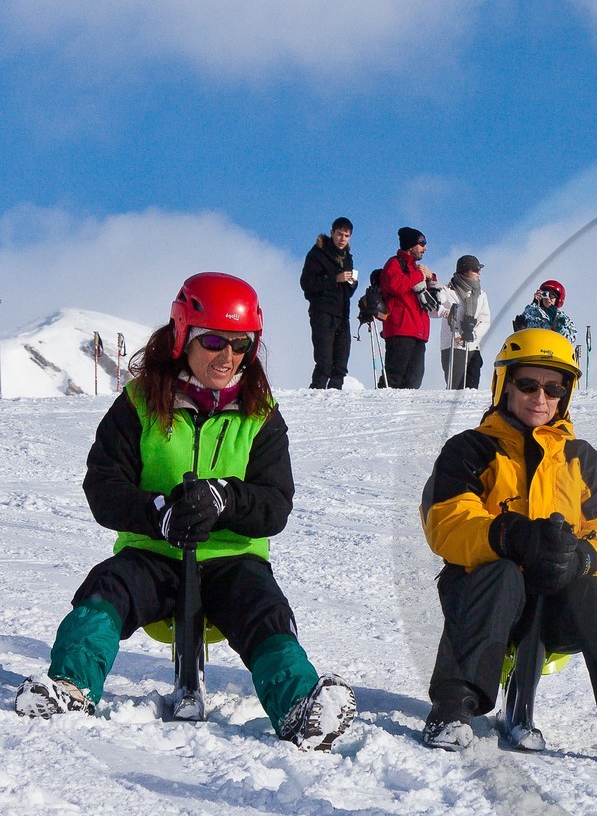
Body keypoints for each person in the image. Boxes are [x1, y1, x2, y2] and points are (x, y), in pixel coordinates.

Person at [12, 273, 356, 749]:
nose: (227, 357)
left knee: (265, 612)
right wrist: (159, 512)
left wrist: (226, 500)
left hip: (231, 559)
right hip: (153, 552)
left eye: (241, 345)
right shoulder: (140, 404)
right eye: (213, 340)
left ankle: (299, 707)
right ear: (182, 336)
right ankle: (70, 688)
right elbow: (103, 485)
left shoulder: (260, 416)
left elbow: (275, 502)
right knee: (105, 591)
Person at [418, 328, 597, 772]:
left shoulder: (581, 458)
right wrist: (507, 536)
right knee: (502, 574)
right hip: (484, 597)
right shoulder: (471, 450)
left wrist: (582, 558)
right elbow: (446, 520)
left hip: (555, 605)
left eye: (554, 388)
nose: (541, 397)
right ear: (504, 385)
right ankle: (453, 708)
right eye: (528, 384)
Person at [379, 227, 441, 389]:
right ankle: (380, 407)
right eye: (422, 243)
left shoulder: (416, 268)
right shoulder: (394, 263)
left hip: (418, 330)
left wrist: (431, 277)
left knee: (414, 380)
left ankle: (403, 413)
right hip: (400, 328)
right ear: (410, 245)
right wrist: (420, 275)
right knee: (394, 376)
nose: (425, 248)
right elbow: (395, 285)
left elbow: (431, 297)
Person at [300, 217, 358, 389]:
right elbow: (306, 283)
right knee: (324, 362)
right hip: (323, 311)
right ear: (332, 233)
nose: (342, 239)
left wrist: (352, 284)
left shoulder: (347, 257)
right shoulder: (318, 253)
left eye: (346, 236)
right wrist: (335, 279)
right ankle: (316, 394)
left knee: (340, 363)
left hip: (342, 312)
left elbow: (348, 291)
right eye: (339, 234)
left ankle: (335, 398)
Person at [437, 255, 490, 390]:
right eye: (475, 269)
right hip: (453, 345)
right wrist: (446, 313)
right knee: (456, 387)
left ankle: (468, 412)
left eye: (479, 269)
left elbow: (485, 320)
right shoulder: (447, 291)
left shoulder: (480, 294)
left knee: (472, 388)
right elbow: (433, 309)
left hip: (473, 345)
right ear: (465, 271)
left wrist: (474, 334)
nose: (479, 272)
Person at [515, 279, 580, 347]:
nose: (548, 298)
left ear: (558, 299)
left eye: (552, 296)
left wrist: (558, 325)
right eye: (545, 294)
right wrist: (535, 303)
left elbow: (571, 337)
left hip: (554, 351)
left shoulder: (562, 318)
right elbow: (524, 320)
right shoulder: (533, 314)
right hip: (534, 350)